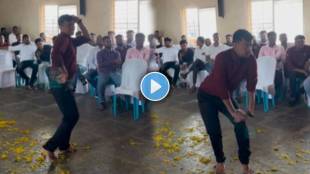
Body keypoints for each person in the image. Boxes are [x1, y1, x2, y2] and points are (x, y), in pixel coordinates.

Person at [198, 29, 257, 174]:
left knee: (241, 125)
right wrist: (233, 111)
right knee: (214, 130)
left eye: (251, 45)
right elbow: (221, 87)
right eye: (246, 45)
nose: (249, 49)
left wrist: (250, 107)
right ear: (235, 44)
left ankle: (245, 166)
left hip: (225, 95)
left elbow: (252, 84)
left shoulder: (250, 59)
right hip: (207, 95)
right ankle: (220, 162)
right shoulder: (222, 57)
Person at [43, 15, 91, 160]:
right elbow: (56, 56)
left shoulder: (69, 39)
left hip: (63, 81)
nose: (72, 27)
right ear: (61, 26)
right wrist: (63, 75)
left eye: (73, 25)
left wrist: (80, 22)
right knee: (72, 116)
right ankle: (51, 146)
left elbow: (87, 37)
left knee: (69, 116)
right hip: (59, 82)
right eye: (69, 25)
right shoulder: (61, 39)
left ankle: (64, 146)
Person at [96, 36, 122, 110]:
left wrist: (114, 63)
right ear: (103, 43)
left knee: (121, 82)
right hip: (104, 72)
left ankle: (118, 99)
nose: (109, 42)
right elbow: (100, 64)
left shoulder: (116, 52)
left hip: (114, 71)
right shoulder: (100, 53)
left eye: (110, 41)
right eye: (107, 41)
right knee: (100, 84)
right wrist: (113, 62)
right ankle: (101, 102)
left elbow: (119, 63)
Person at [258, 31, 286, 99]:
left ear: (276, 38)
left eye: (274, 37)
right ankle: (265, 94)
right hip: (265, 70)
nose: (272, 39)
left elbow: (284, 60)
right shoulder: (263, 48)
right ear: (268, 38)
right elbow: (260, 59)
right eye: (271, 37)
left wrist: (279, 61)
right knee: (262, 77)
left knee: (277, 76)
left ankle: (275, 95)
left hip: (276, 69)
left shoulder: (280, 48)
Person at [286, 35, 310, 106]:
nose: (300, 44)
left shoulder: (308, 48)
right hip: (295, 71)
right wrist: (303, 71)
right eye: (298, 42)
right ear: (295, 42)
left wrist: (308, 63)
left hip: (306, 69)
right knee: (292, 74)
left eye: (302, 42)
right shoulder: (290, 50)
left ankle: (301, 90)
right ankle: (294, 96)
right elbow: (290, 66)